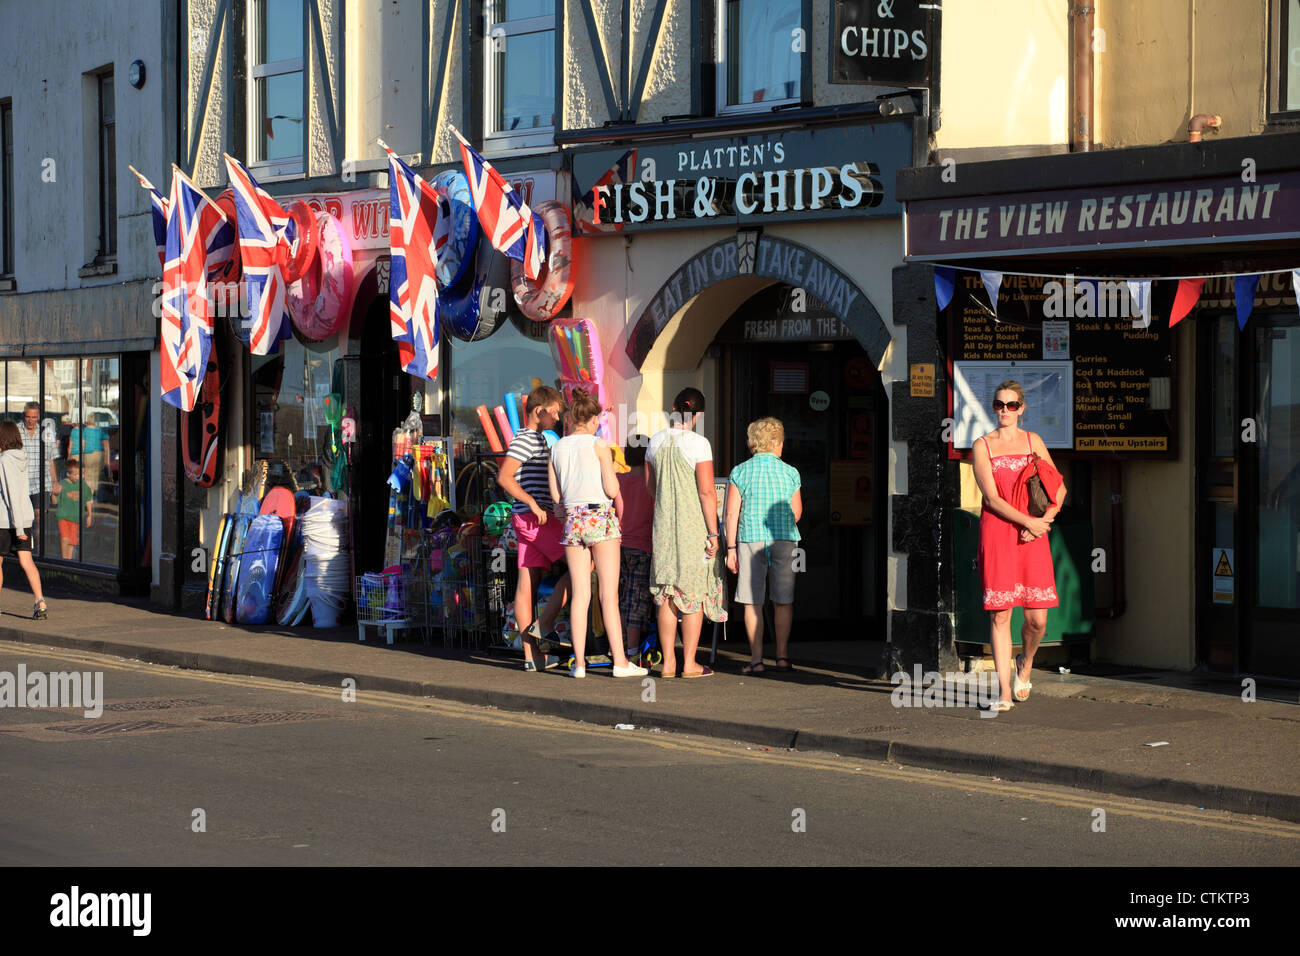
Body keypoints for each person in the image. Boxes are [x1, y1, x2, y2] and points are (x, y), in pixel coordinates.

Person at [972, 381, 1067, 712]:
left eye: (1011, 405)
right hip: (998, 533)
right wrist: (1028, 522)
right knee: (1000, 615)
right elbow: (991, 497)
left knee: (1037, 619)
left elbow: (1059, 490)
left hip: (1034, 535)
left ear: (1021, 409)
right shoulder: (982, 445)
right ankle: (1003, 691)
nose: (1004, 411)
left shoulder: (1033, 442)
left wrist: (1043, 521)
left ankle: (1025, 661)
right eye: (999, 404)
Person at [547, 390, 647, 679]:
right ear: (591, 419)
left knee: (580, 594)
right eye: (597, 420)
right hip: (600, 518)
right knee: (608, 595)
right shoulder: (601, 445)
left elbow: (556, 495)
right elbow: (612, 489)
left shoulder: (558, 448)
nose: (598, 425)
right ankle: (620, 662)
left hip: (573, 519)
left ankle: (578, 664)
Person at [646, 387, 727, 678]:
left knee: (667, 595)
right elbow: (706, 492)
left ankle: (667, 663)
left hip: (663, 527)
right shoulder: (699, 443)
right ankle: (690, 663)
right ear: (700, 414)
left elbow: (650, 488)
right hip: (693, 527)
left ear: (673, 408)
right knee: (692, 594)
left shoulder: (654, 441)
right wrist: (714, 533)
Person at [497, 385, 571, 672]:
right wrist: (534, 504)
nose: (557, 418)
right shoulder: (526, 440)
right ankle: (545, 623)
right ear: (539, 411)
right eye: (554, 413)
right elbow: (504, 477)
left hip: (528, 517)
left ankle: (531, 655)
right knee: (584, 564)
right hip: (534, 518)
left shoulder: (537, 439)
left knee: (527, 583)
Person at [724, 417, 803, 675]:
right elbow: (797, 512)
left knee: (752, 601)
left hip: (750, 538)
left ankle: (756, 660)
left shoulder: (740, 471)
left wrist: (731, 548)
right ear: (777, 443)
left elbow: (732, 514)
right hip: (784, 538)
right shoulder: (791, 472)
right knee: (783, 600)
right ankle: (782, 656)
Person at [0, 421, 50, 619]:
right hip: (24, 518)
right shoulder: (22, 457)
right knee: (27, 561)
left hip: (6, 521)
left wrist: (18, 526)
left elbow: (11, 493)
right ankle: (40, 600)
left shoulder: (4, 459)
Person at [614, 434, 654, 664]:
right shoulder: (651, 485)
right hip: (644, 546)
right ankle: (631, 649)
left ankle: (617, 645)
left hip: (619, 545)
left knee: (621, 597)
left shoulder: (619, 481)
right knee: (637, 599)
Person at [19, 402, 58, 546]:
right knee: (22, 519)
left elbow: (51, 459)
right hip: (21, 483)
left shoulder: (46, 433)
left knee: (39, 516)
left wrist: (55, 481)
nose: (30, 420)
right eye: (28, 416)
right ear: (24, 415)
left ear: (39, 417)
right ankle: (25, 547)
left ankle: (40, 549)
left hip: (41, 483)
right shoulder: (17, 430)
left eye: (34, 417)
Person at [52, 458, 93, 560]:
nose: (79, 477)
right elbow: (54, 502)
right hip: (63, 517)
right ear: (68, 474)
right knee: (65, 538)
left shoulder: (83, 485)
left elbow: (88, 499)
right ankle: (64, 559)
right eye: (76, 474)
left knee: (72, 542)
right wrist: (53, 493)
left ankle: (69, 561)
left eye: (81, 474)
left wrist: (90, 515)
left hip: (76, 518)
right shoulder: (62, 484)